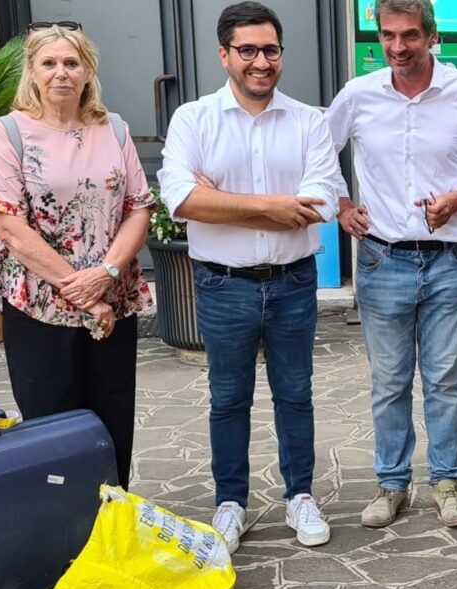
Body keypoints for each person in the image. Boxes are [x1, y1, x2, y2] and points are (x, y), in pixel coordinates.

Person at [158, 1, 343, 553]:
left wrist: (222, 199)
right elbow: (182, 200)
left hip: (292, 281)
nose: (261, 61)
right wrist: (271, 207)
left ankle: (300, 497)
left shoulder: (310, 120)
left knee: (295, 394)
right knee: (228, 399)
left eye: (270, 50)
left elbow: (322, 201)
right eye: (248, 50)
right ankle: (231, 501)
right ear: (224, 55)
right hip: (223, 284)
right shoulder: (193, 118)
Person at [328, 0, 457, 530]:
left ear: (432, 36)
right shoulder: (359, 95)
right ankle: (391, 485)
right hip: (383, 258)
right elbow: (318, 151)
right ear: (377, 38)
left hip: (450, 259)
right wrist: (340, 205)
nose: (398, 47)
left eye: (410, 35)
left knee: (444, 381)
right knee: (388, 381)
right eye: (388, 36)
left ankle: (447, 482)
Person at [0, 23, 152, 491]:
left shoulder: (113, 128)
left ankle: (110, 522)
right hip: (40, 307)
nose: (61, 73)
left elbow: (139, 207)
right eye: (49, 63)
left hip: (112, 302)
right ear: (31, 72)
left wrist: (107, 274)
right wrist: (80, 290)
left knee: (112, 422)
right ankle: (55, 533)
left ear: (88, 69)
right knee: (49, 429)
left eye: (71, 63)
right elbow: (8, 222)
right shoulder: (8, 132)